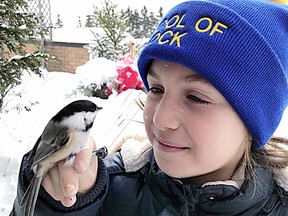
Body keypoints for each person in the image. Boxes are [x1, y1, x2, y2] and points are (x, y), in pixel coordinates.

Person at [11, 0, 288, 215]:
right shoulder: (103, 189)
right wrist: (57, 203)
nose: (161, 118)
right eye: (156, 89)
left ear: (254, 119)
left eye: (196, 97)